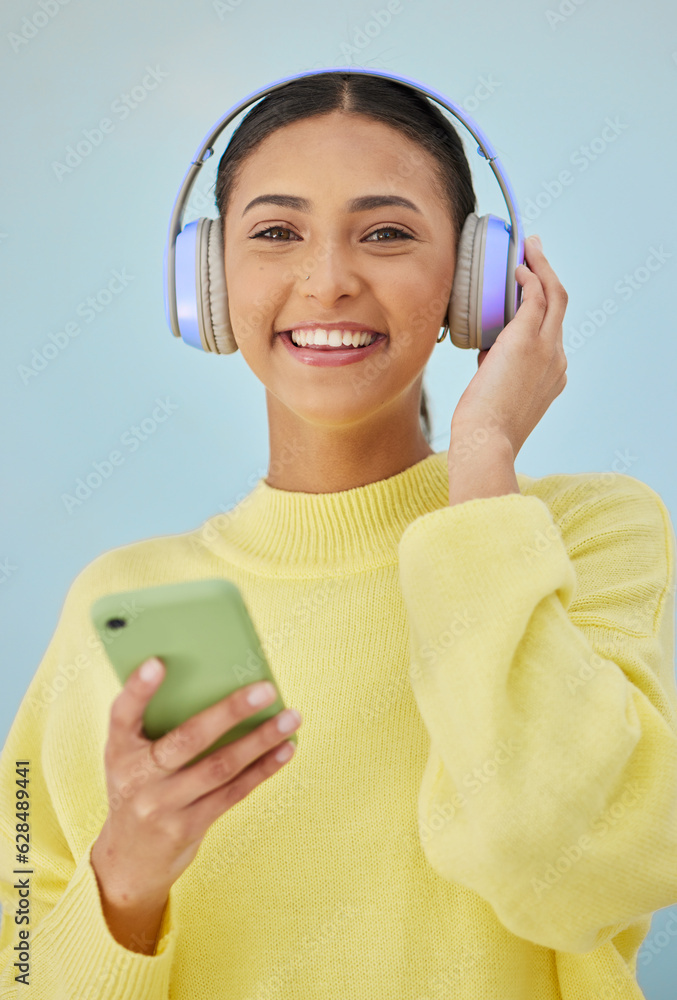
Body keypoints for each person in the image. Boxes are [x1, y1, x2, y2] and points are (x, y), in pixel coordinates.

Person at [1, 70, 676, 1000]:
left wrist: (483, 456)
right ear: (206, 277)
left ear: (474, 280)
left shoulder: (584, 535)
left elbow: (563, 861)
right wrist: (128, 873)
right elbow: (20, 963)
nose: (327, 280)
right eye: (275, 233)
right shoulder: (119, 601)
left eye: (388, 233)